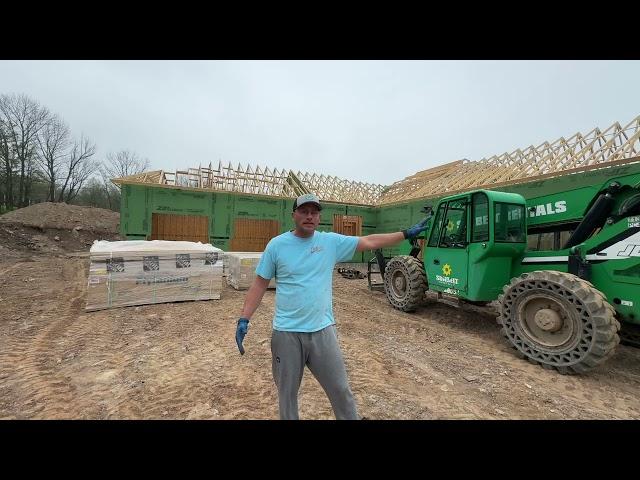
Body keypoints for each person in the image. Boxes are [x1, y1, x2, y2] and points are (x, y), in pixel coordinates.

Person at [235, 193, 430, 420]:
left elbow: (370, 241)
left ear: (319, 217)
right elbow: (259, 284)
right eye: (304, 211)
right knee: (287, 396)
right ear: (294, 215)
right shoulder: (276, 246)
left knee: (341, 391)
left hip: (322, 331)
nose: (309, 216)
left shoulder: (330, 242)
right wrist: (244, 318)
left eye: (314, 212)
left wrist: (405, 234)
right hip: (286, 334)